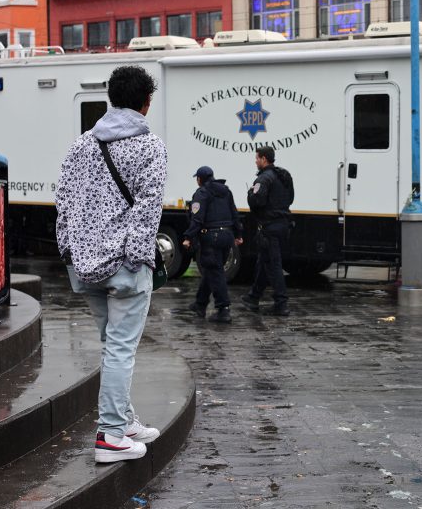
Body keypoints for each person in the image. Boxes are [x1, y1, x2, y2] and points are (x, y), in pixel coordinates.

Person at [56, 65, 167, 463]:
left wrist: (68, 251)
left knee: (111, 347)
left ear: (111, 98)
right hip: (124, 266)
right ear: (146, 103)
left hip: (84, 266)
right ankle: (111, 436)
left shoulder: (80, 145)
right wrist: (139, 259)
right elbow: (148, 208)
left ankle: (124, 420)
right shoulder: (150, 146)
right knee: (121, 349)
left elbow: (63, 203)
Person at [182, 166, 243, 323]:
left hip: (211, 237)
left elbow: (197, 218)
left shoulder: (201, 193)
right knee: (211, 269)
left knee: (215, 272)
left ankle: (224, 309)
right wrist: (238, 234)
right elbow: (234, 214)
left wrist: (188, 237)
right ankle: (200, 304)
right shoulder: (226, 191)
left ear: (200, 179)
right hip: (227, 236)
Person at [241, 146, 294, 316]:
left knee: (274, 266)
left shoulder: (263, 179)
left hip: (269, 228)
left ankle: (281, 303)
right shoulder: (283, 176)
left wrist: (250, 193)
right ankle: (253, 297)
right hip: (283, 226)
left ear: (264, 159)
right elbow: (291, 198)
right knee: (264, 263)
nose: (255, 161)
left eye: (257, 158)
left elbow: (257, 202)